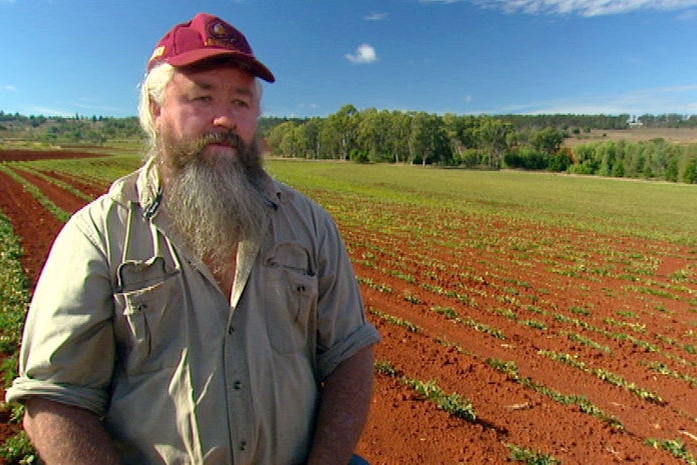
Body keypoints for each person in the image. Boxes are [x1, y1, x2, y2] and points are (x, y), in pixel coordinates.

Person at [6, 12, 380, 465]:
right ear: (156, 109)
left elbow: (350, 355)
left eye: (241, 102)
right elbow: (55, 398)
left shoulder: (310, 226)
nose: (225, 117)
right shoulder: (100, 235)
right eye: (202, 98)